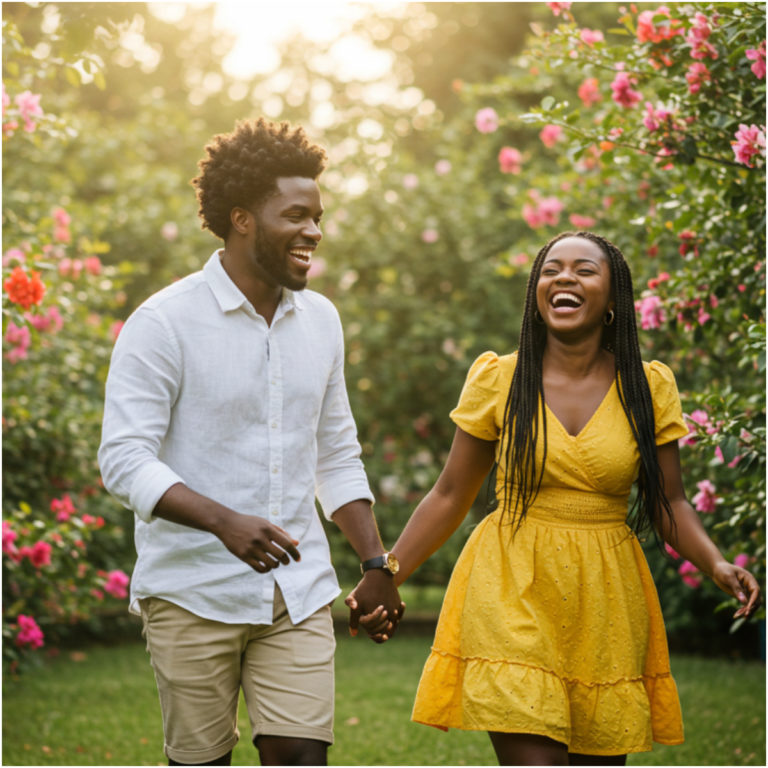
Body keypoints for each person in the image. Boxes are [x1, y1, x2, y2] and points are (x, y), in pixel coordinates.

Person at [347, 231, 761, 766]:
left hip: (605, 598)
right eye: (551, 269)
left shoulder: (646, 387)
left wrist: (717, 563)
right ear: (536, 294)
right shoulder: (500, 378)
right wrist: (388, 573)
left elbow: (670, 503)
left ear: (613, 300)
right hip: (512, 583)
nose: (564, 277)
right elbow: (450, 493)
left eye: (584, 270)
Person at [98, 117, 403, 767]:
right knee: (200, 761)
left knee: (301, 755)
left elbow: (336, 452)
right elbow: (123, 459)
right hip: (190, 591)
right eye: (296, 215)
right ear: (242, 219)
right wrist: (222, 522)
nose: (314, 231)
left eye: (318, 216)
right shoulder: (163, 323)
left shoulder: (320, 320)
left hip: (297, 593)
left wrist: (376, 565)